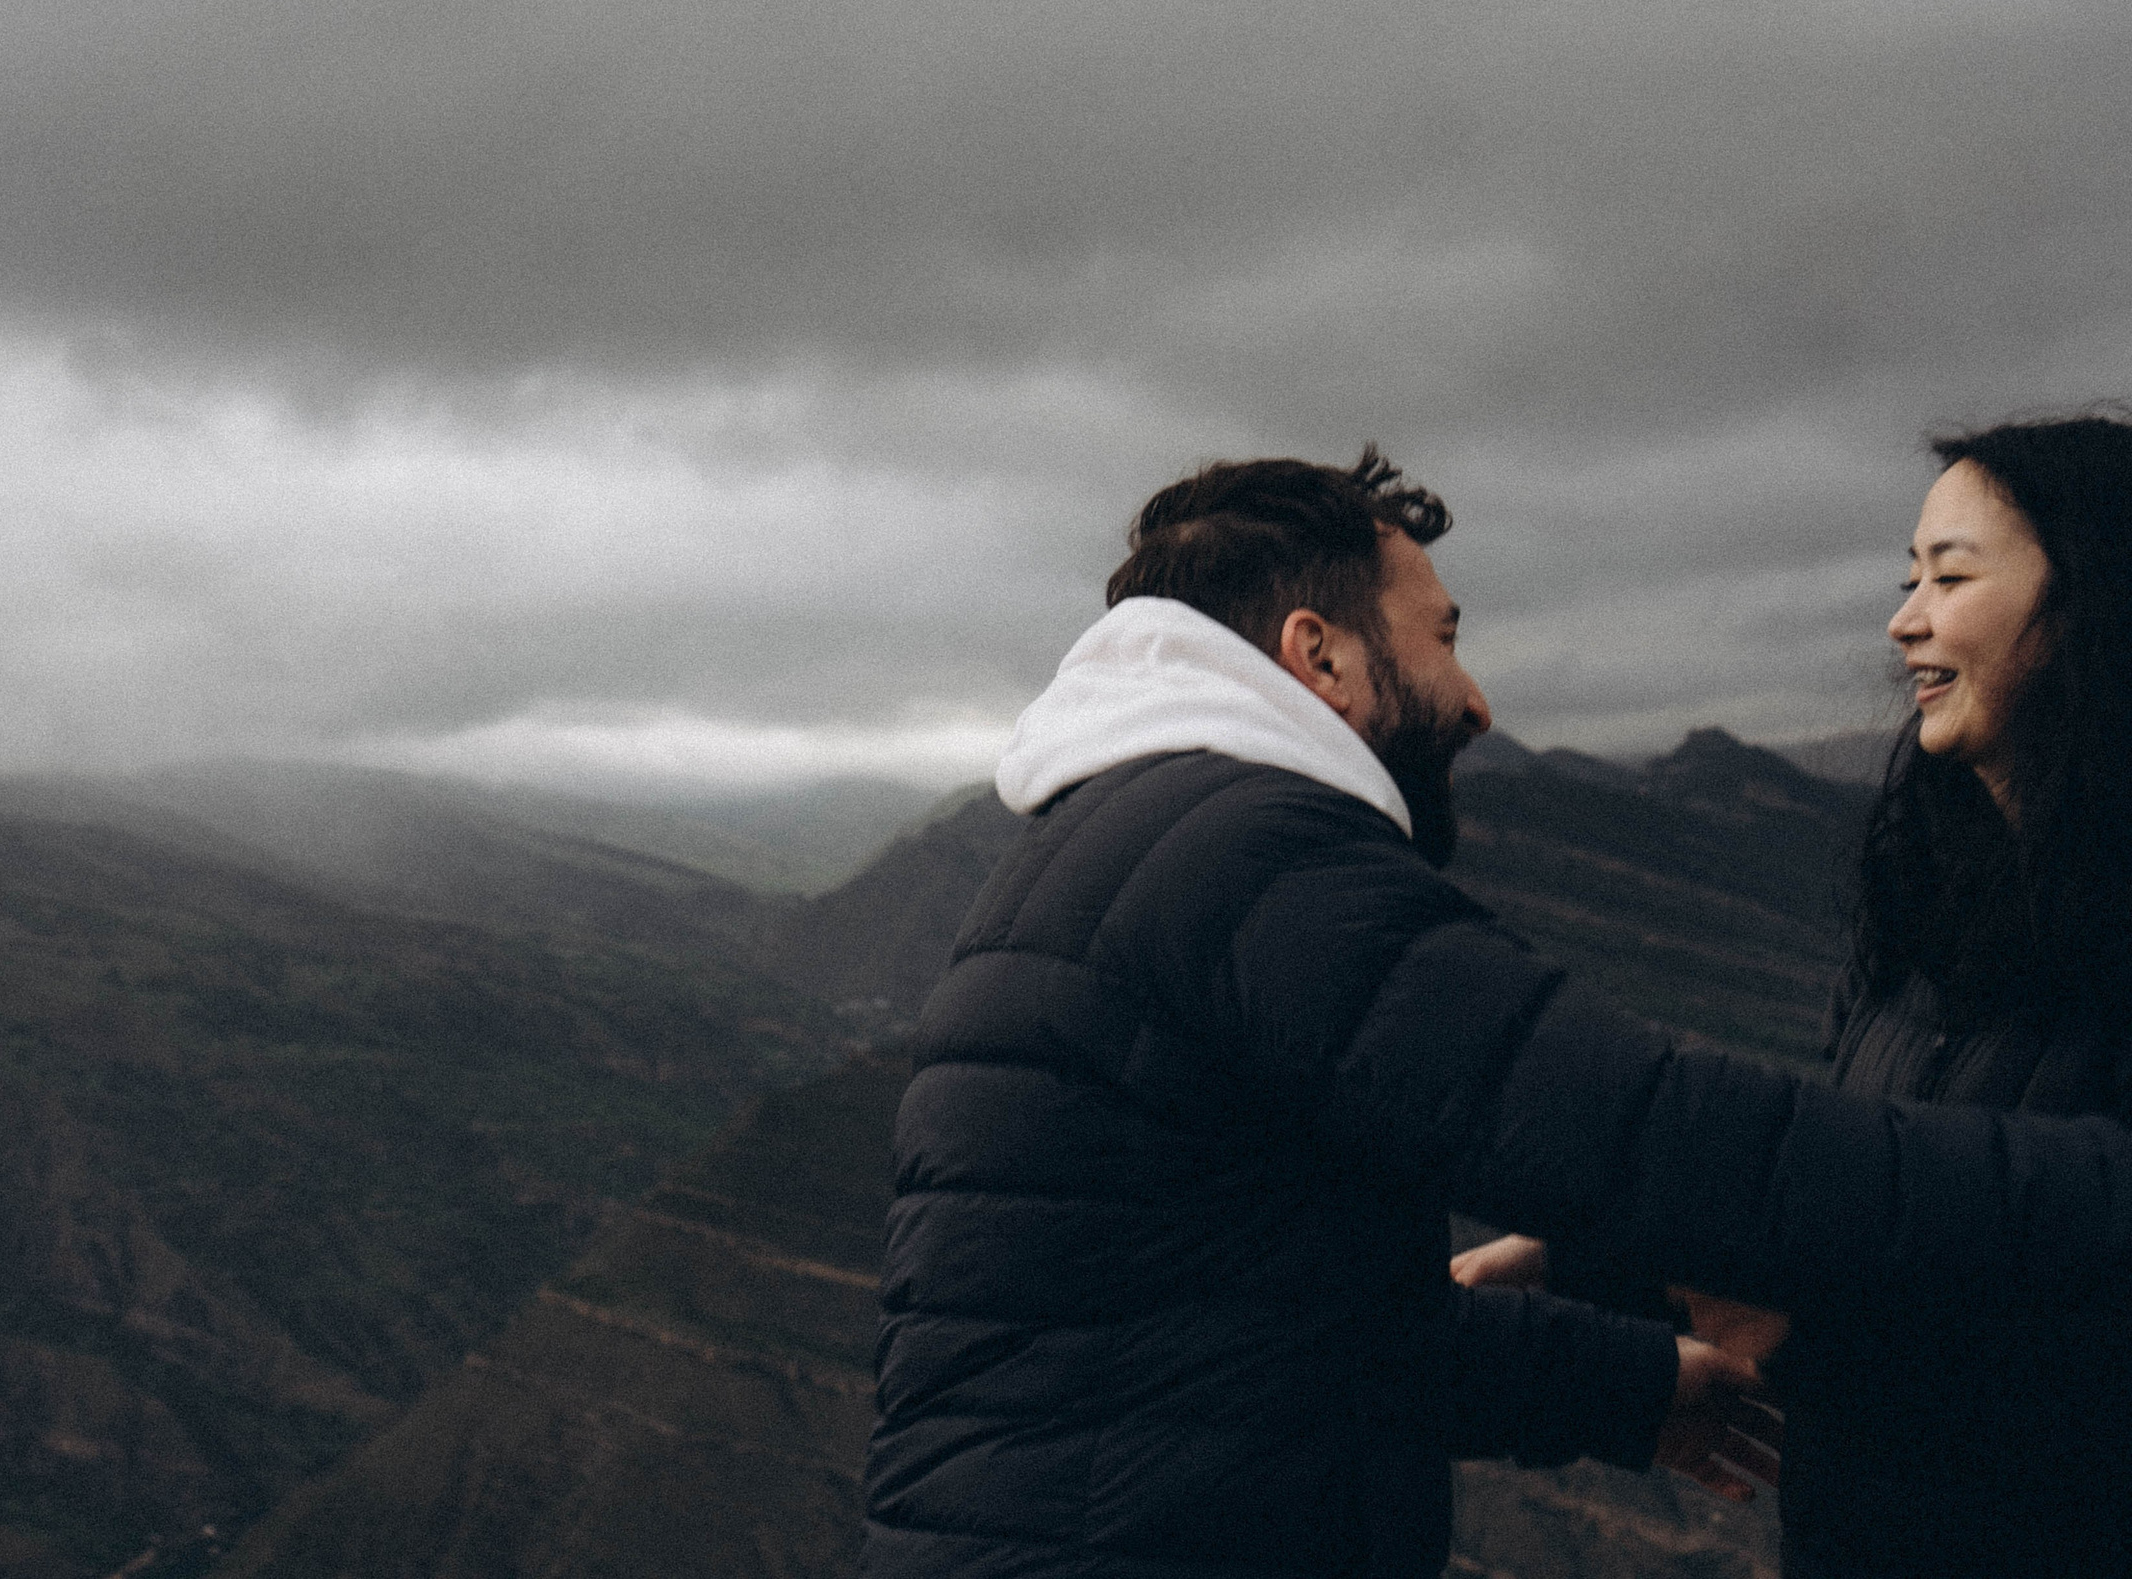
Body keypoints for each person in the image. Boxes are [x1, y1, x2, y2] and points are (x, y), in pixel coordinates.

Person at [865, 446, 2132, 1579]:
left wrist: (1631, 1381)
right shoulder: (1255, 862)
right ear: (1321, 655)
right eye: (1443, 638)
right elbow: (1648, 1135)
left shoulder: (1126, 834)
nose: (1476, 703)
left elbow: (1293, 1342)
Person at [1458, 413, 2132, 1576]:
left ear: (2088, 607)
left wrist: (1790, 1316)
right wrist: (1591, 1262)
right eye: (1906, 576)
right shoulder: (1932, 924)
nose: (1903, 618)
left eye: (1949, 576)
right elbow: (1895, 1228)